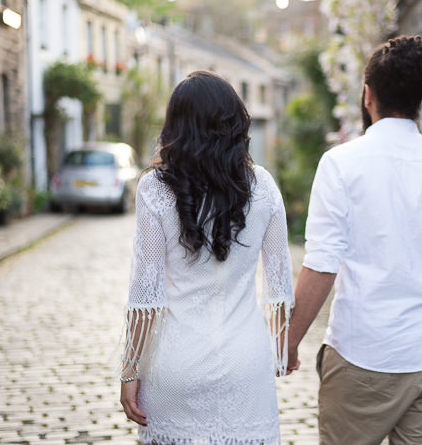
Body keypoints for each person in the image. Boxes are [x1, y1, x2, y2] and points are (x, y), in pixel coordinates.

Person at [286, 36, 422, 444]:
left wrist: (288, 342)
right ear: (419, 101)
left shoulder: (340, 164)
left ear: (367, 94)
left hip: (362, 357)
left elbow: (322, 262)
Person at [118, 71, 294, 444]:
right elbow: (279, 286)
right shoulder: (264, 186)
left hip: (175, 365)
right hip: (245, 362)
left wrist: (130, 371)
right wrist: (282, 347)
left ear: (176, 126)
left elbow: (146, 295)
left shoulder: (155, 188)